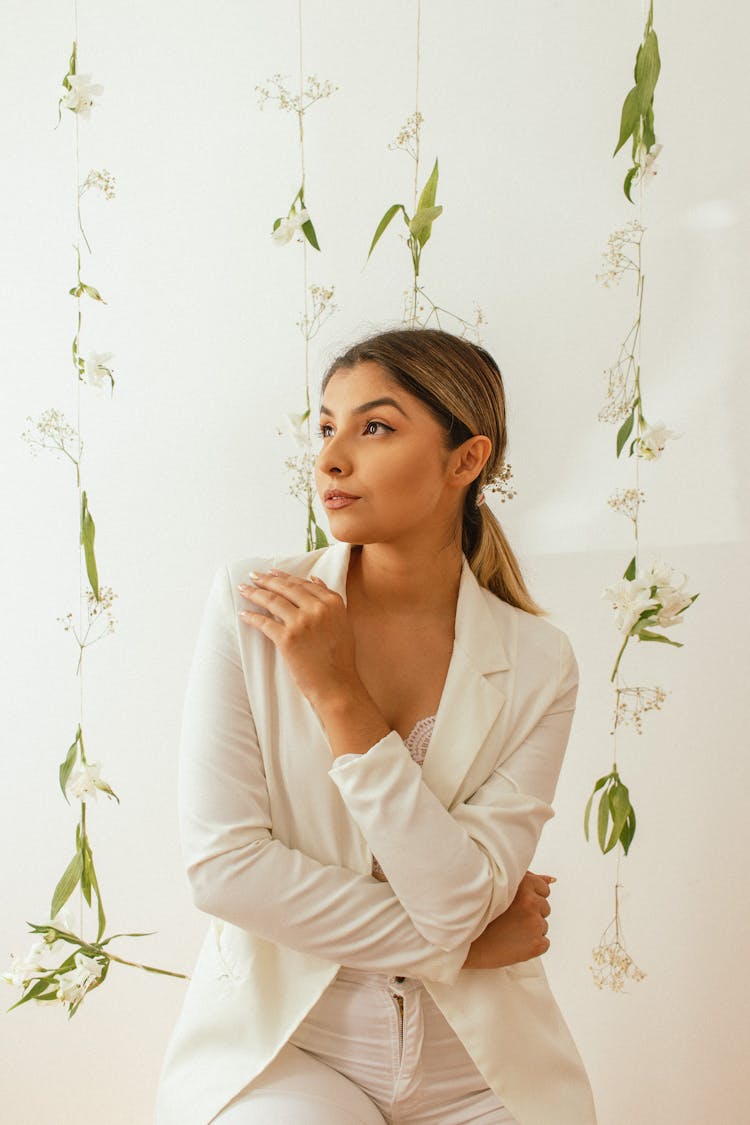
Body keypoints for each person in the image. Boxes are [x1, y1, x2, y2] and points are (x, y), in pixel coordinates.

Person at [155, 327, 598, 1124]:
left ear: (466, 459)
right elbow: (224, 868)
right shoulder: (251, 604)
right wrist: (457, 947)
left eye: (375, 427)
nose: (330, 458)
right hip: (290, 1046)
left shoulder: (539, 660)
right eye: (327, 427)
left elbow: (458, 901)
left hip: (480, 1065)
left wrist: (340, 695)